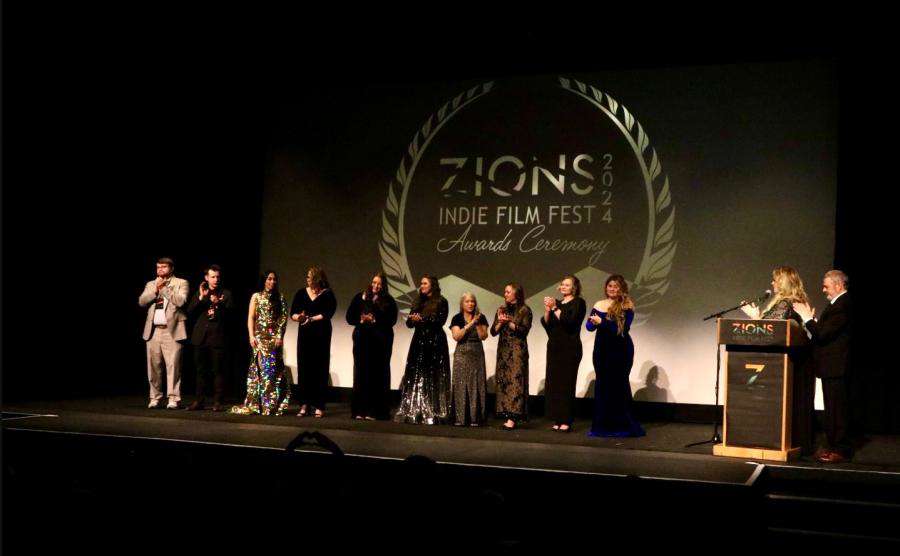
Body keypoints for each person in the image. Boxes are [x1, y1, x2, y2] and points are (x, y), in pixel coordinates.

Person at [743, 265, 815, 455]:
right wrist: (757, 317)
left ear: (783, 282)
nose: (772, 283)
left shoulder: (787, 302)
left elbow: (772, 329)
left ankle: (792, 443)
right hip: (794, 359)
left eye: (775, 280)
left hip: (792, 361)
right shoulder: (790, 301)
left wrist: (755, 318)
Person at [793, 270, 853, 463]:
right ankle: (833, 447)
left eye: (826, 286)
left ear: (838, 285)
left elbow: (823, 335)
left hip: (837, 366)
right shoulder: (837, 304)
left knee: (837, 411)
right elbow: (826, 332)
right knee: (832, 410)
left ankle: (840, 450)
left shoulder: (843, 304)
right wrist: (815, 324)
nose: (823, 290)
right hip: (832, 366)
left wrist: (807, 319)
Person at [587, 274, 645, 437]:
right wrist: (592, 322)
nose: (612, 289)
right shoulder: (599, 304)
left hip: (620, 350)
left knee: (618, 386)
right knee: (603, 386)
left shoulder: (627, 305)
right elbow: (589, 327)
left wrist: (602, 322)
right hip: (602, 350)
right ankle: (603, 426)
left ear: (622, 289)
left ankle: (622, 425)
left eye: (616, 286)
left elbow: (622, 329)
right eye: (610, 286)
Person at [232, 271, 291, 415]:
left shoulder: (280, 298)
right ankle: (258, 403)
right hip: (260, 338)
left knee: (271, 372)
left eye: (274, 279)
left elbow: (283, 319)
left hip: (274, 340)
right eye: (269, 279)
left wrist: (279, 336)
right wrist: (251, 336)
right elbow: (251, 317)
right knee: (260, 370)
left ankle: (270, 404)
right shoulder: (256, 297)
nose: (272, 282)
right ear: (264, 281)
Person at [395, 275, 451, 424]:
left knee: (432, 374)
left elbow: (440, 321)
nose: (422, 286)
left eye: (425, 283)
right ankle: (415, 408)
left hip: (435, 342)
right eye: (421, 283)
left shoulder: (441, 301)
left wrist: (423, 319)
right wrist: (413, 319)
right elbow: (409, 324)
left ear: (432, 285)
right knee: (417, 373)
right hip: (419, 340)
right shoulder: (418, 301)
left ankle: (434, 409)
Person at [139, 257, 190, 409]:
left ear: (171, 268)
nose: (160, 269)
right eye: (158, 267)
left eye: (164, 267)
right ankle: (155, 397)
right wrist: (156, 290)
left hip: (172, 331)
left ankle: (173, 398)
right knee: (154, 367)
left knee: (173, 366)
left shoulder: (181, 283)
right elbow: (142, 301)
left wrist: (165, 289)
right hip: (153, 331)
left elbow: (181, 301)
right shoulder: (151, 284)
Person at [346, 272, 398, 420]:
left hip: (380, 343)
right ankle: (360, 410)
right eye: (374, 282)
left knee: (377, 375)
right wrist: (361, 320)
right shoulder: (360, 297)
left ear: (384, 286)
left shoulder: (388, 301)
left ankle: (375, 411)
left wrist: (375, 320)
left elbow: (392, 320)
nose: (375, 286)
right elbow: (349, 317)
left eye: (379, 284)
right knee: (361, 374)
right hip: (362, 341)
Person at [541, 275, 587, 432]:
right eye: (562, 284)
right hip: (555, 347)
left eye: (567, 285)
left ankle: (566, 419)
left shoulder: (579, 303)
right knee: (554, 384)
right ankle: (557, 418)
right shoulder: (558, 303)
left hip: (570, 348)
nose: (563, 287)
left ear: (574, 287)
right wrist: (548, 310)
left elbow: (570, 322)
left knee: (566, 384)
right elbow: (547, 324)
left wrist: (554, 308)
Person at [291, 266, 337, 418]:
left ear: (317, 279)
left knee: (319, 367)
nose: (307, 279)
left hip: (321, 334)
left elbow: (328, 313)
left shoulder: (327, 294)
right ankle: (304, 404)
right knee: (304, 367)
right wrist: (299, 317)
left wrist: (311, 318)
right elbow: (293, 313)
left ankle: (319, 405)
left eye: (309, 276)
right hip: (305, 334)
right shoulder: (301, 293)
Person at [186, 264, 234, 411]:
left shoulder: (226, 294)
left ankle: (217, 402)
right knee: (200, 371)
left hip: (217, 337)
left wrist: (218, 304)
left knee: (217, 371)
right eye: (213, 277)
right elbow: (190, 312)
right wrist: (201, 297)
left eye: (218, 277)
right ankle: (199, 401)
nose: (216, 280)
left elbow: (231, 316)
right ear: (206, 278)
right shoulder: (202, 292)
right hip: (200, 337)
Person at [492, 283, 533, 430]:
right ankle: (506, 413)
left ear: (516, 294)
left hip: (517, 351)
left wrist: (509, 322)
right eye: (505, 292)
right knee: (504, 381)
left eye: (508, 292)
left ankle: (513, 417)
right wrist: (500, 322)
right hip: (503, 350)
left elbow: (523, 331)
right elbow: (493, 332)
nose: (505, 294)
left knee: (515, 382)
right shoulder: (501, 309)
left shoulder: (524, 310)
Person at [449, 293, 489, 426]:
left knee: (476, 383)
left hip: (477, 353)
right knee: (461, 383)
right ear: (462, 304)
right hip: (462, 354)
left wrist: (477, 324)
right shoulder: (457, 318)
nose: (470, 304)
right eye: (467, 301)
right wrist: (470, 324)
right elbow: (457, 336)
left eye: (472, 301)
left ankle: (475, 417)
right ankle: (460, 417)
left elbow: (484, 336)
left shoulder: (481, 317)